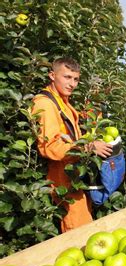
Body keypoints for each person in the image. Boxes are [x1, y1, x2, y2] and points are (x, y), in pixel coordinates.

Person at [31, 57, 112, 232]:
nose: (72, 84)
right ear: (52, 75)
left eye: (75, 79)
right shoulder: (45, 104)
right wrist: (88, 147)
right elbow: (50, 147)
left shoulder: (64, 103)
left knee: (86, 224)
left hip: (75, 174)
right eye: (67, 77)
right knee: (79, 232)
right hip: (63, 178)